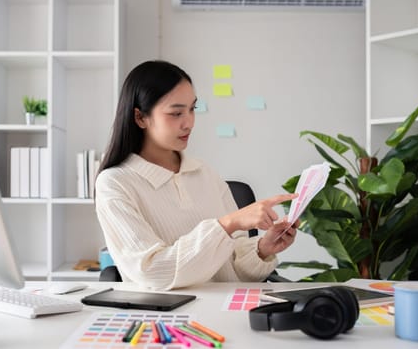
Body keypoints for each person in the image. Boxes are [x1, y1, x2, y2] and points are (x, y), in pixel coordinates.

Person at [95, 60, 299, 290]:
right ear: (141, 117)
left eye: (193, 109)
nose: (189, 122)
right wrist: (227, 224)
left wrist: (263, 248)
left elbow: (233, 267)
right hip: (167, 318)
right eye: (176, 113)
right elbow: (152, 272)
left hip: (226, 309)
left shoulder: (204, 172)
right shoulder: (115, 184)